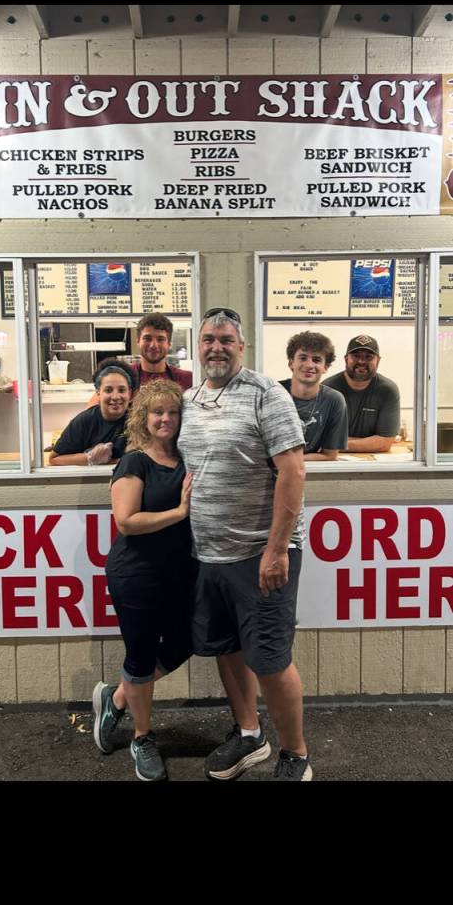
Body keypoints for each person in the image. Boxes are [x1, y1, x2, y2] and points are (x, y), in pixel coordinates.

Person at [178, 308, 312, 782]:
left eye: (226, 339)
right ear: (198, 345)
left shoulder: (266, 394)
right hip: (208, 554)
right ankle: (250, 734)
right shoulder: (190, 398)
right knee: (227, 649)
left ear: (242, 346)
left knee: (270, 660)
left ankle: (295, 754)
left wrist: (277, 550)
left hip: (262, 554)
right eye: (209, 339)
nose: (217, 346)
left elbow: (293, 472)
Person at [92, 379, 194, 782]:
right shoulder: (135, 461)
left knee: (188, 641)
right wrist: (180, 512)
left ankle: (116, 697)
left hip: (180, 574)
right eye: (157, 412)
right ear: (143, 418)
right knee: (140, 655)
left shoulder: (188, 458)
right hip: (136, 574)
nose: (165, 418)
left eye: (172, 412)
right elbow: (127, 521)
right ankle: (142, 737)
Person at [88, 312, 193, 409]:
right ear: (138, 341)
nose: (153, 345)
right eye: (147, 338)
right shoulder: (123, 376)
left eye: (160, 339)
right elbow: (91, 410)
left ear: (169, 344)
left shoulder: (187, 379)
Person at [49, 358, 137, 466]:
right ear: (98, 393)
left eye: (122, 390)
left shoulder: (137, 420)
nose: (115, 397)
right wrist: (90, 458)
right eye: (108, 390)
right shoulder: (84, 421)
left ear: (130, 393)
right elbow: (54, 459)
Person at [323, 334, 400, 453]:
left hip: (372, 463)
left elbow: (385, 443)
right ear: (346, 359)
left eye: (369, 357)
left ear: (378, 360)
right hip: (332, 461)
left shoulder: (388, 390)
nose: (361, 361)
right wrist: (369, 442)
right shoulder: (327, 389)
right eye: (355, 356)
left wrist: (336, 443)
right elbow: (320, 439)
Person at [279, 331, 348, 461]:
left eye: (316, 360)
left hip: (309, 470)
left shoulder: (334, 401)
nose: (309, 365)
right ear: (291, 363)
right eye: (303, 358)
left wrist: (293, 462)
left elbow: (329, 455)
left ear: (325, 367)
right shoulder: (272, 393)